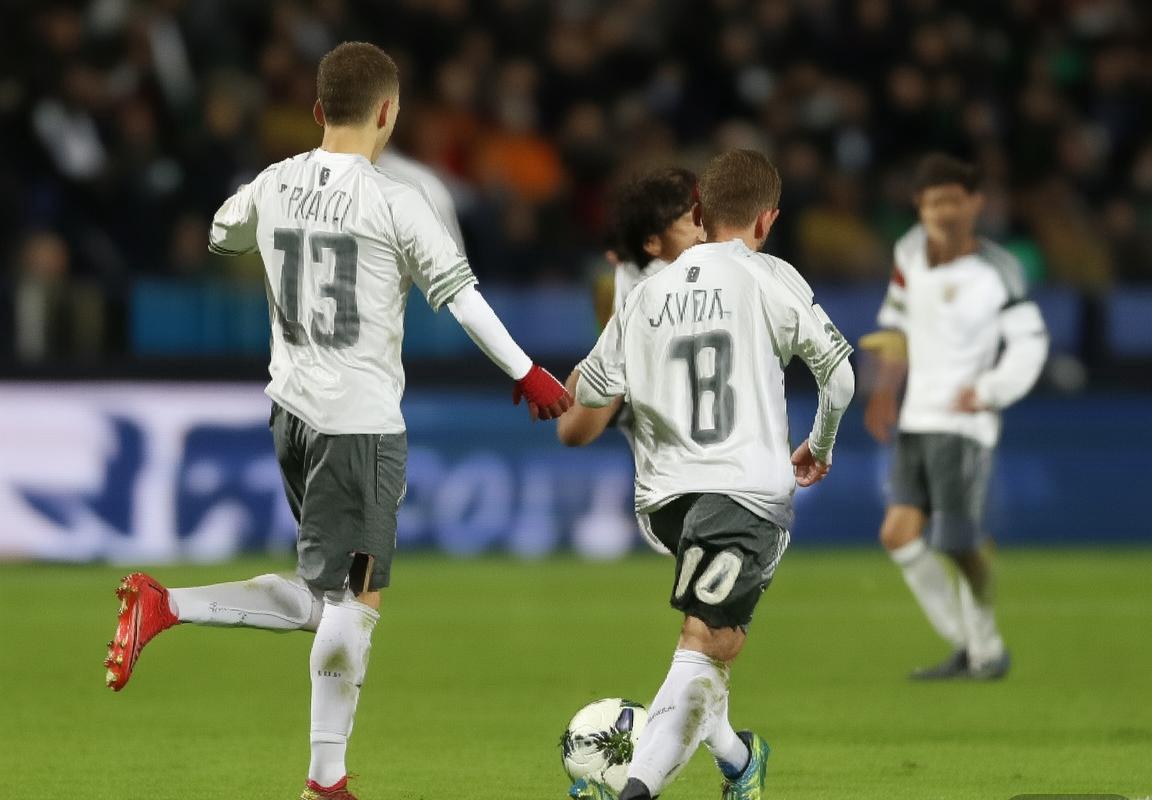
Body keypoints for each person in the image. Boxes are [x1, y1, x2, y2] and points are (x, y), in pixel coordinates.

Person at [101, 42, 571, 800]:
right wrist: (526, 371)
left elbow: (222, 233)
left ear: (319, 110)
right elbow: (460, 297)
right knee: (355, 603)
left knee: (324, 595)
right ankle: (324, 781)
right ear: (388, 113)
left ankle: (172, 610)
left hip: (290, 415)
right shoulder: (396, 201)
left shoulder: (274, 181)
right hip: (359, 426)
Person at [568, 149, 855, 800]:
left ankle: (738, 761)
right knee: (703, 646)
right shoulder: (769, 276)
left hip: (666, 502)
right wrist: (820, 444)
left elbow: (590, 393)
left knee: (710, 639)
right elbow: (839, 377)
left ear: (698, 212)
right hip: (743, 490)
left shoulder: (645, 294)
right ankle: (633, 789)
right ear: (767, 220)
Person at [861, 153, 1048, 680]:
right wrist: (883, 391)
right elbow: (895, 326)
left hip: (964, 424)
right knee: (898, 534)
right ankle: (973, 646)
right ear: (919, 207)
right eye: (931, 202)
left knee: (959, 541)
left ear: (974, 205)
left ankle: (984, 648)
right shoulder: (908, 253)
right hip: (917, 417)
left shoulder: (997, 269)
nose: (941, 211)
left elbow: (1030, 341)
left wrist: (990, 390)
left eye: (952, 200)